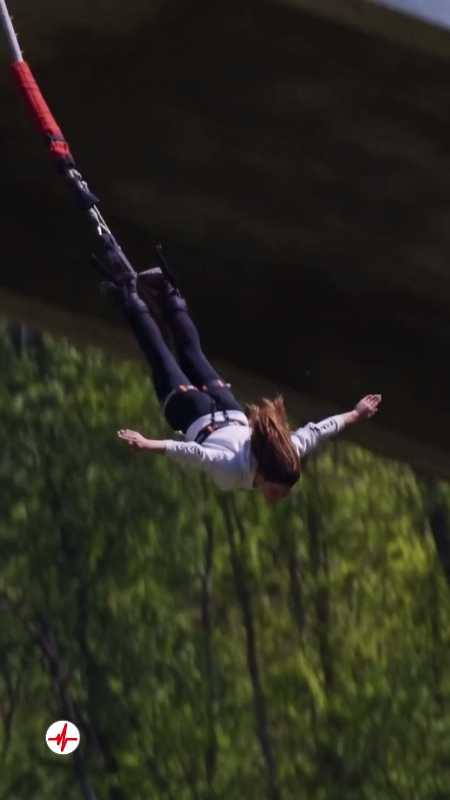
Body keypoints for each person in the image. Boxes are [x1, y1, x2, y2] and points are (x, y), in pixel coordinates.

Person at [101, 266, 381, 502]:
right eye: (275, 491)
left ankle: (167, 293)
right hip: (191, 413)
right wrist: (148, 444)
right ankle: (129, 297)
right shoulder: (235, 472)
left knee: (190, 353)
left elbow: (319, 430)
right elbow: (194, 452)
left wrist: (355, 415)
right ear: (263, 475)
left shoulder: (288, 450)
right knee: (160, 357)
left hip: (228, 407)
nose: (275, 499)